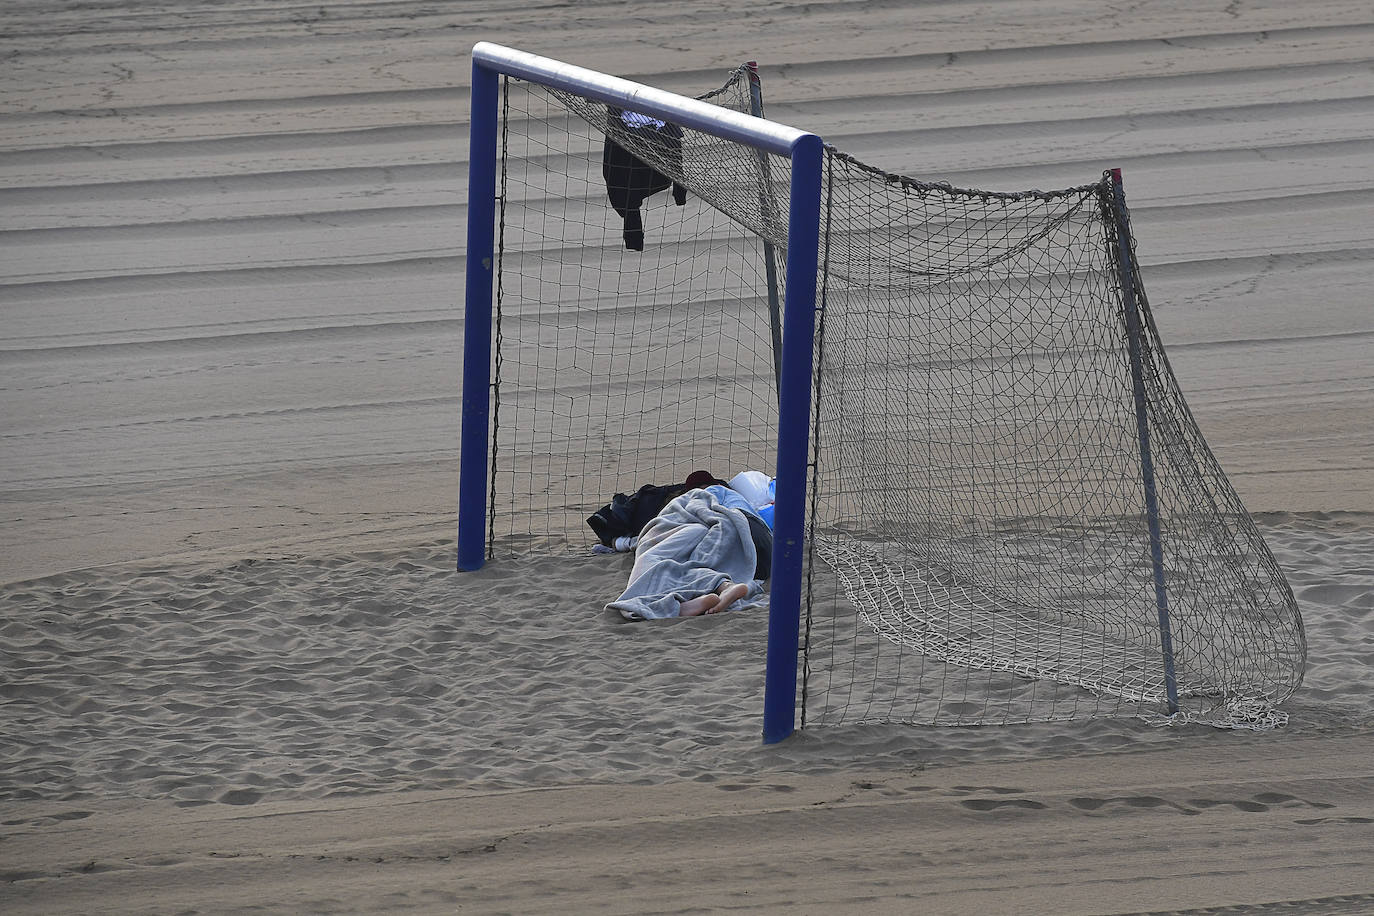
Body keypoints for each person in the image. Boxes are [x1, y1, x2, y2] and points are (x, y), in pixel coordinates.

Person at [603, 469, 774, 621]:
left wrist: (620, 542)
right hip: (765, 552)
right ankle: (723, 587)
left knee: (662, 561)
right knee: (691, 559)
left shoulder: (701, 495)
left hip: (733, 528)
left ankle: (707, 592)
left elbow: (666, 528)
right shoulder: (742, 502)